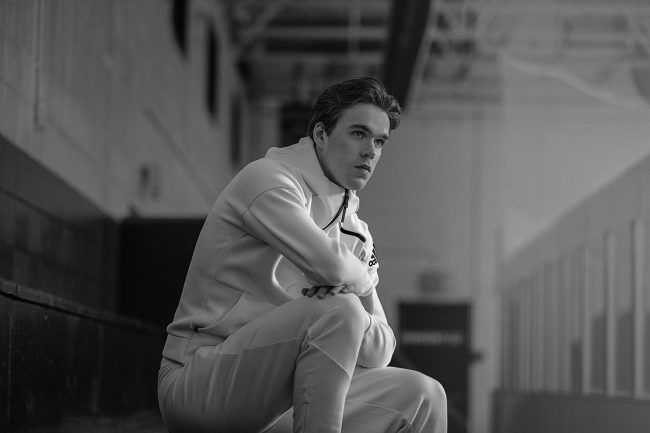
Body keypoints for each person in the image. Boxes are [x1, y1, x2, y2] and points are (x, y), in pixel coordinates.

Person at [157, 77, 448, 433]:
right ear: (321, 135)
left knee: (424, 395)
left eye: (379, 141)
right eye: (358, 133)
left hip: (286, 399)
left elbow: (381, 350)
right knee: (339, 309)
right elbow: (331, 267)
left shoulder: (357, 232)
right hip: (201, 385)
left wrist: (348, 301)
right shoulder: (268, 179)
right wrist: (354, 286)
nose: (370, 151)